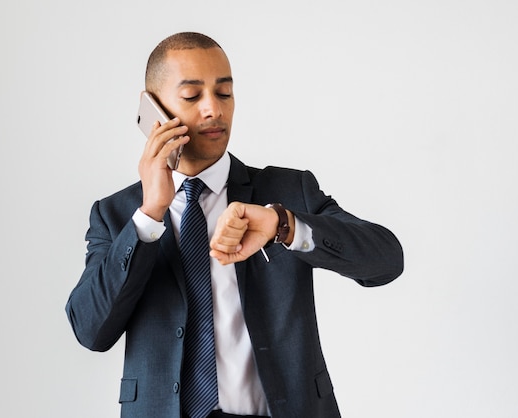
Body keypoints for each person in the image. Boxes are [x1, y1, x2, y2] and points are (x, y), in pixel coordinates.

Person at [65, 32, 403, 418]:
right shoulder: (115, 214)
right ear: (153, 108)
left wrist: (285, 225)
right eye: (192, 96)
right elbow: (91, 331)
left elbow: (387, 261)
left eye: (224, 93)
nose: (214, 110)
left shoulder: (287, 191)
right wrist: (149, 215)